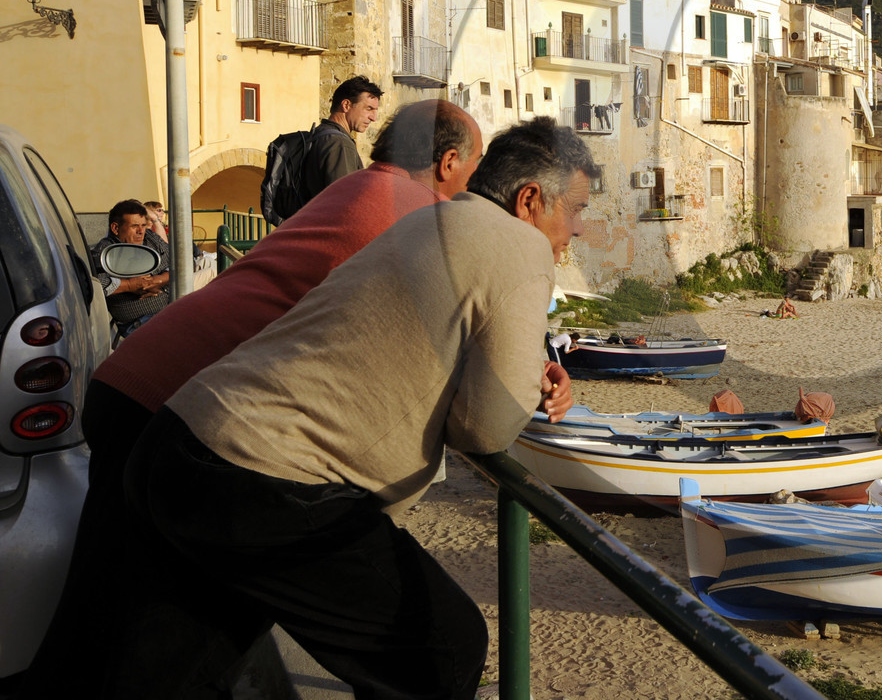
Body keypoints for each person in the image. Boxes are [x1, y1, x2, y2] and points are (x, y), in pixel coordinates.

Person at [23, 100, 511, 696]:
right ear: (450, 161)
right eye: (475, 168)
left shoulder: (356, 187)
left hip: (137, 382)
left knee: (108, 613)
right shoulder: (414, 217)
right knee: (175, 630)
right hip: (191, 414)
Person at [110, 118, 597, 699]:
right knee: (444, 646)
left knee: (172, 671)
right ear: (531, 200)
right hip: (265, 480)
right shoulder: (521, 244)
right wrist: (517, 382)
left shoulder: (430, 218)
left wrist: (515, 371)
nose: (579, 230)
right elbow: (485, 428)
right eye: (576, 210)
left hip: (180, 440)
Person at [88, 199, 172, 333]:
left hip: (171, 307)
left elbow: (178, 262)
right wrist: (129, 285)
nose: (141, 231)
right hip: (138, 323)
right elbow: (96, 285)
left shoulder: (150, 238)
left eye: (143, 225)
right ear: (115, 228)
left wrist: (159, 280)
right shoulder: (105, 252)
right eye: (134, 226)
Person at [304, 75, 385, 202]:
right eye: (369, 109)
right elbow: (345, 201)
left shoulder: (319, 135)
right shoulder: (339, 144)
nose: (373, 117)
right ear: (346, 105)